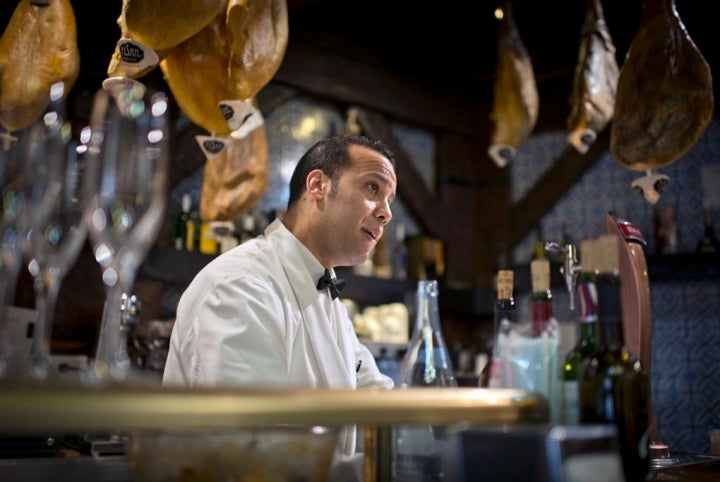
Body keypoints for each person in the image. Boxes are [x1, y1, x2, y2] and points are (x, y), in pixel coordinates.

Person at [162, 134, 397, 478]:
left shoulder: (325, 293)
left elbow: (373, 393)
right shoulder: (242, 285)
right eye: (373, 189)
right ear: (317, 185)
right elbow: (251, 446)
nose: (387, 213)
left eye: (390, 199)